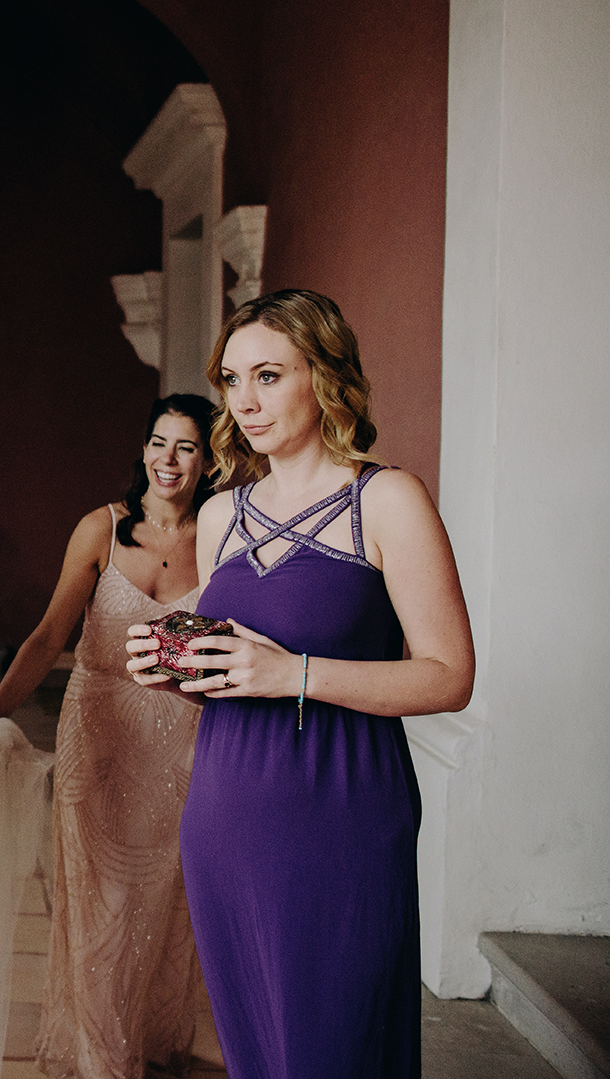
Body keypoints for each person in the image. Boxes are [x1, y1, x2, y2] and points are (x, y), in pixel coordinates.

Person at [125, 290, 475, 1078]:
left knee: (334, 1049)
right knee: (259, 1056)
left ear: (323, 375)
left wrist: (293, 672)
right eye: (230, 379)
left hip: (343, 817)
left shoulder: (385, 499)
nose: (243, 401)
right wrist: (179, 671)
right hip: (224, 815)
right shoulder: (220, 515)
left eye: (268, 375)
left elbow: (448, 676)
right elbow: (239, 674)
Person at [0, 393, 215, 1079]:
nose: (167, 460)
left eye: (186, 447)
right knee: (100, 905)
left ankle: (154, 1042)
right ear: (141, 449)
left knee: (169, 903)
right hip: (100, 732)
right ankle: (106, 1061)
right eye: (158, 443)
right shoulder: (100, 530)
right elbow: (49, 634)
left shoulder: (222, 536)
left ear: (207, 459)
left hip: (185, 741)